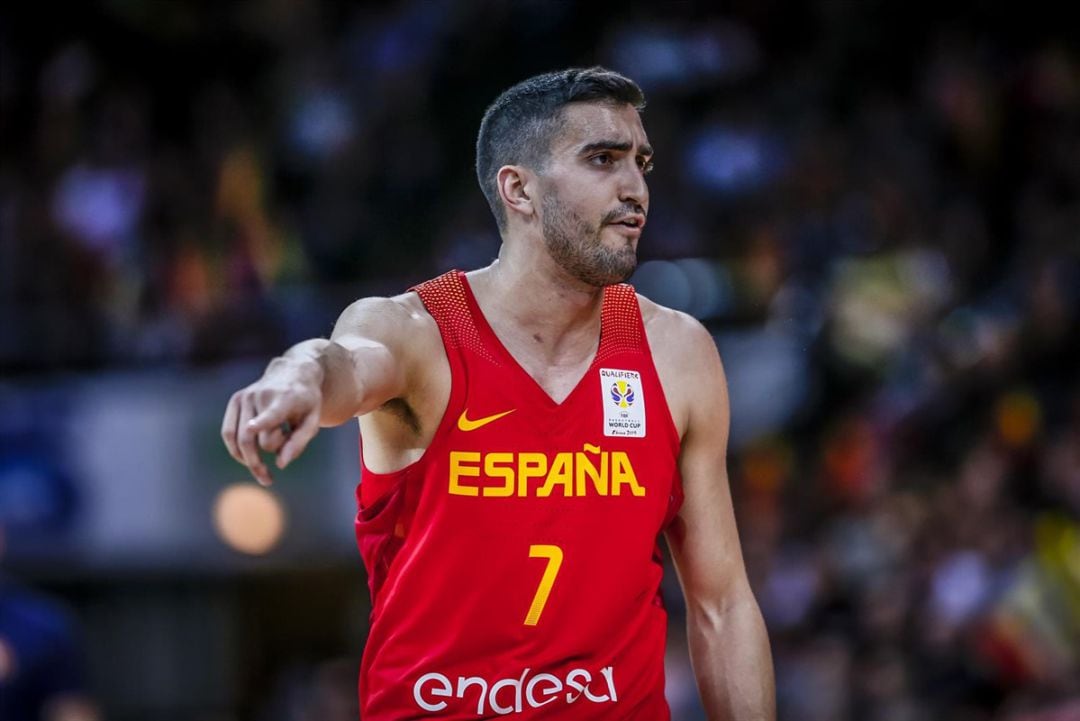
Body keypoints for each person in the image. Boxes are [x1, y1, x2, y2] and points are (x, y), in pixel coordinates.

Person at [222, 67, 775, 720]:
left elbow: (721, 603)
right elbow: (340, 359)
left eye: (641, 163)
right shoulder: (417, 333)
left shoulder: (677, 352)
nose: (635, 189)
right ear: (519, 189)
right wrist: (293, 375)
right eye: (603, 159)